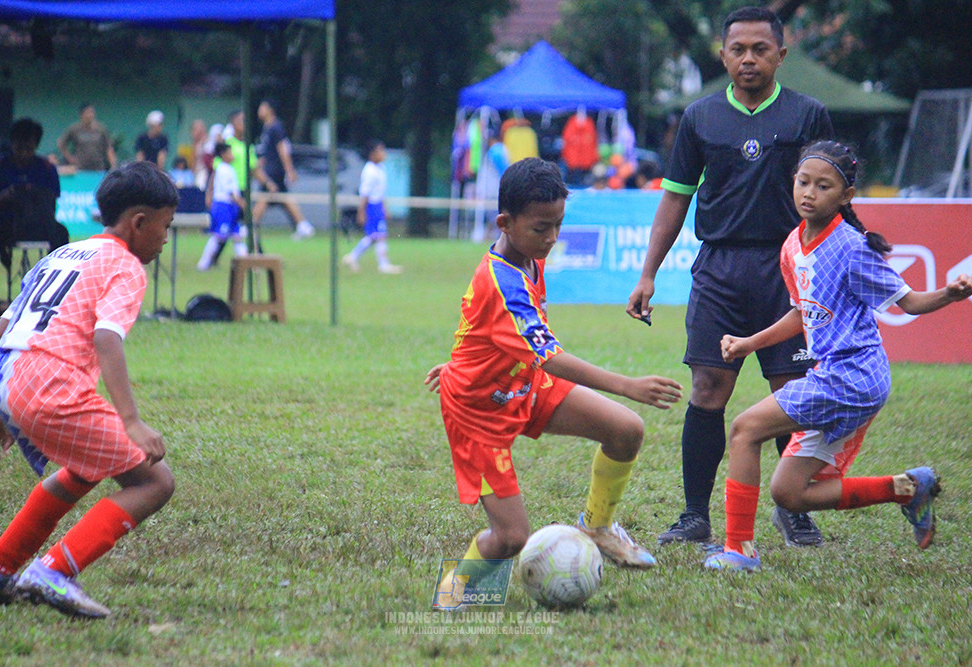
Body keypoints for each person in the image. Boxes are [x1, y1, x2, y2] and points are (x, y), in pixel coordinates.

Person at [424, 158, 684, 607]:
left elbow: (483, 327)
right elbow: (550, 355)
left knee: (626, 430)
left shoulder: (525, 255)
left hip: (521, 384)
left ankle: (597, 527)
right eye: (541, 228)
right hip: (479, 412)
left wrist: (460, 360)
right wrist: (627, 384)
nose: (552, 239)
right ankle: (454, 596)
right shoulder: (502, 280)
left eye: (558, 226)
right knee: (511, 538)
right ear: (505, 222)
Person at [704, 140, 972, 571]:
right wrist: (749, 342)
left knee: (744, 429)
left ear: (846, 196)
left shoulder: (852, 247)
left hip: (853, 376)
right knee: (789, 493)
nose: (809, 192)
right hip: (834, 374)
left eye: (823, 186)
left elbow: (911, 302)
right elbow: (802, 312)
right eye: (803, 182)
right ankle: (907, 488)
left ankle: (739, 551)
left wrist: (951, 294)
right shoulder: (793, 244)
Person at [625, 6, 834, 547]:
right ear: (723, 55)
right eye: (737, 49)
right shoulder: (699, 118)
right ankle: (696, 515)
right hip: (718, 269)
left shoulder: (808, 115)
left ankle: (793, 507)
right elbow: (675, 197)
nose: (748, 59)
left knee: (791, 393)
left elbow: (831, 198)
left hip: (787, 270)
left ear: (780, 56)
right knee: (708, 386)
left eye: (760, 50)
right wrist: (648, 274)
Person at [0, 161, 178, 618]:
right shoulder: (124, 265)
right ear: (139, 223)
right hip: (51, 386)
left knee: (85, 468)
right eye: (165, 226)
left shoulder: (63, 254)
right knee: (154, 481)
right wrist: (131, 421)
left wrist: (0, 411)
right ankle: (54, 572)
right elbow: (107, 337)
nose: (166, 238)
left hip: (11, 380)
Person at [0, 117, 70, 299]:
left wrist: (33, 197)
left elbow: (52, 203)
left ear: (36, 145)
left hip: (38, 223)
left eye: (29, 147)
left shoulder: (47, 168)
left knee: (61, 233)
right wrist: (8, 195)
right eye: (20, 147)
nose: (24, 153)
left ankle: (54, 288)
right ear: (12, 143)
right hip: (5, 223)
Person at [252, 99, 314, 240]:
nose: (259, 110)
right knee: (284, 198)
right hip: (270, 167)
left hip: (274, 170)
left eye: (262, 107)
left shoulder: (276, 127)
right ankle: (303, 225)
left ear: (270, 109)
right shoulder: (267, 128)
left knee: (264, 197)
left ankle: (251, 225)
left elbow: (282, 148)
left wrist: (289, 169)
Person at [341, 140, 402, 274]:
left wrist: (385, 208)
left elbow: (381, 191)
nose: (384, 154)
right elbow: (365, 193)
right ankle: (383, 264)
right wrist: (361, 211)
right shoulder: (369, 171)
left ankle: (353, 257)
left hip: (378, 204)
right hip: (372, 206)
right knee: (379, 235)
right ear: (373, 154)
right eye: (381, 151)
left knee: (375, 236)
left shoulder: (380, 168)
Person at [198, 142, 247, 271]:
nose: (232, 155)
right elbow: (230, 192)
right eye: (230, 152)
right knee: (218, 236)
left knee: (237, 235)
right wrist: (241, 203)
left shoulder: (224, 168)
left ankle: (247, 263)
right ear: (224, 154)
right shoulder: (225, 170)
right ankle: (203, 264)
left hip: (229, 206)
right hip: (224, 206)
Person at [57, 102, 117, 171]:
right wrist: (70, 159)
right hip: (81, 168)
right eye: (87, 113)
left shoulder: (101, 129)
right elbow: (61, 144)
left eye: (92, 112)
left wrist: (113, 165)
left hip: (98, 168)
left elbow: (108, 148)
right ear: (81, 114)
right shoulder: (74, 129)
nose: (90, 115)